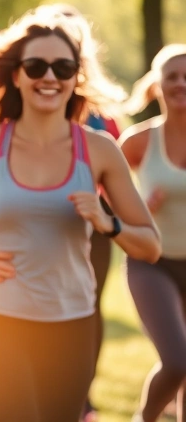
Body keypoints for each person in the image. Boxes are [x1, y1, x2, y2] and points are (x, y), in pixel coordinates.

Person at [0, 10, 161, 422]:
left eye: (63, 67)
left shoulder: (99, 151)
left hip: (72, 323)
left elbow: (149, 247)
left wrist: (107, 221)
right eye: (36, 65)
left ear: (75, 77)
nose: (49, 76)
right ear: (17, 75)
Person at [32, 2, 122, 422]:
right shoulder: (33, 92)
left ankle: (80, 396)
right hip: (41, 224)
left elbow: (115, 163)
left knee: (89, 305)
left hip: (95, 225)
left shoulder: (101, 111)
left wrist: (105, 213)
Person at [119, 44, 186, 422]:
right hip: (152, 263)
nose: (181, 83)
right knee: (177, 360)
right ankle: (144, 419)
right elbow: (105, 203)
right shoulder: (138, 142)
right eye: (172, 76)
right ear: (156, 86)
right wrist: (140, 207)